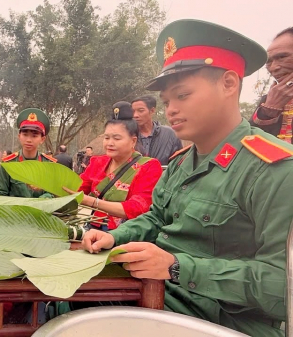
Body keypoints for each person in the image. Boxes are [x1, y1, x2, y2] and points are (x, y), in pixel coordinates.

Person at [82, 20, 289, 336]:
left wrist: (177, 267)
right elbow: (156, 217)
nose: (171, 110)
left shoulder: (274, 169)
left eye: (183, 95)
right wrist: (116, 237)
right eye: (166, 102)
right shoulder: (180, 163)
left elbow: (283, 288)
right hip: (163, 296)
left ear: (229, 83)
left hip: (224, 321)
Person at [63, 102, 162, 231]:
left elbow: (138, 208)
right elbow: (76, 188)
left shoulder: (149, 167)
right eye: (107, 137)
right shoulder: (97, 162)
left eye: (116, 138)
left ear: (133, 141)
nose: (110, 143)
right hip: (92, 226)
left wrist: (92, 202)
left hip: (127, 233)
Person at [0, 108, 57, 197]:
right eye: (25, 135)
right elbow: (1, 193)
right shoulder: (8, 163)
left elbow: (54, 192)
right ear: (19, 136)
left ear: (42, 139)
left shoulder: (49, 164)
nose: (28, 140)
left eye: (34, 136)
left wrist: (47, 197)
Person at [250, 27, 293, 141]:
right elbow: (249, 146)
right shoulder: (268, 101)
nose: (274, 68)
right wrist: (269, 111)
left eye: (282, 57)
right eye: (268, 62)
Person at [132, 95, 182, 165]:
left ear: (152, 111)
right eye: (132, 111)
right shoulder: (129, 135)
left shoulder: (169, 134)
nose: (135, 115)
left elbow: (178, 163)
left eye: (141, 111)